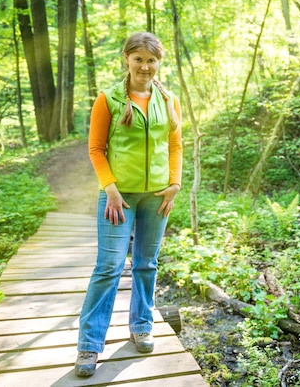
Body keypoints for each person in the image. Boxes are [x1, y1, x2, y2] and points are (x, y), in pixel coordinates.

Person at [74, 32, 182, 377]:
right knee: (108, 267)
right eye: (138, 59)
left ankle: (142, 326)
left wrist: (175, 184)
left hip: (157, 198)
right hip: (118, 199)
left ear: (158, 62)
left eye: (151, 60)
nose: (145, 67)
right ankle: (89, 347)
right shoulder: (108, 100)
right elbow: (96, 149)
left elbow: (175, 146)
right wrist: (111, 189)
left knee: (147, 264)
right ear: (127, 59)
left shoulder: (169, 100)